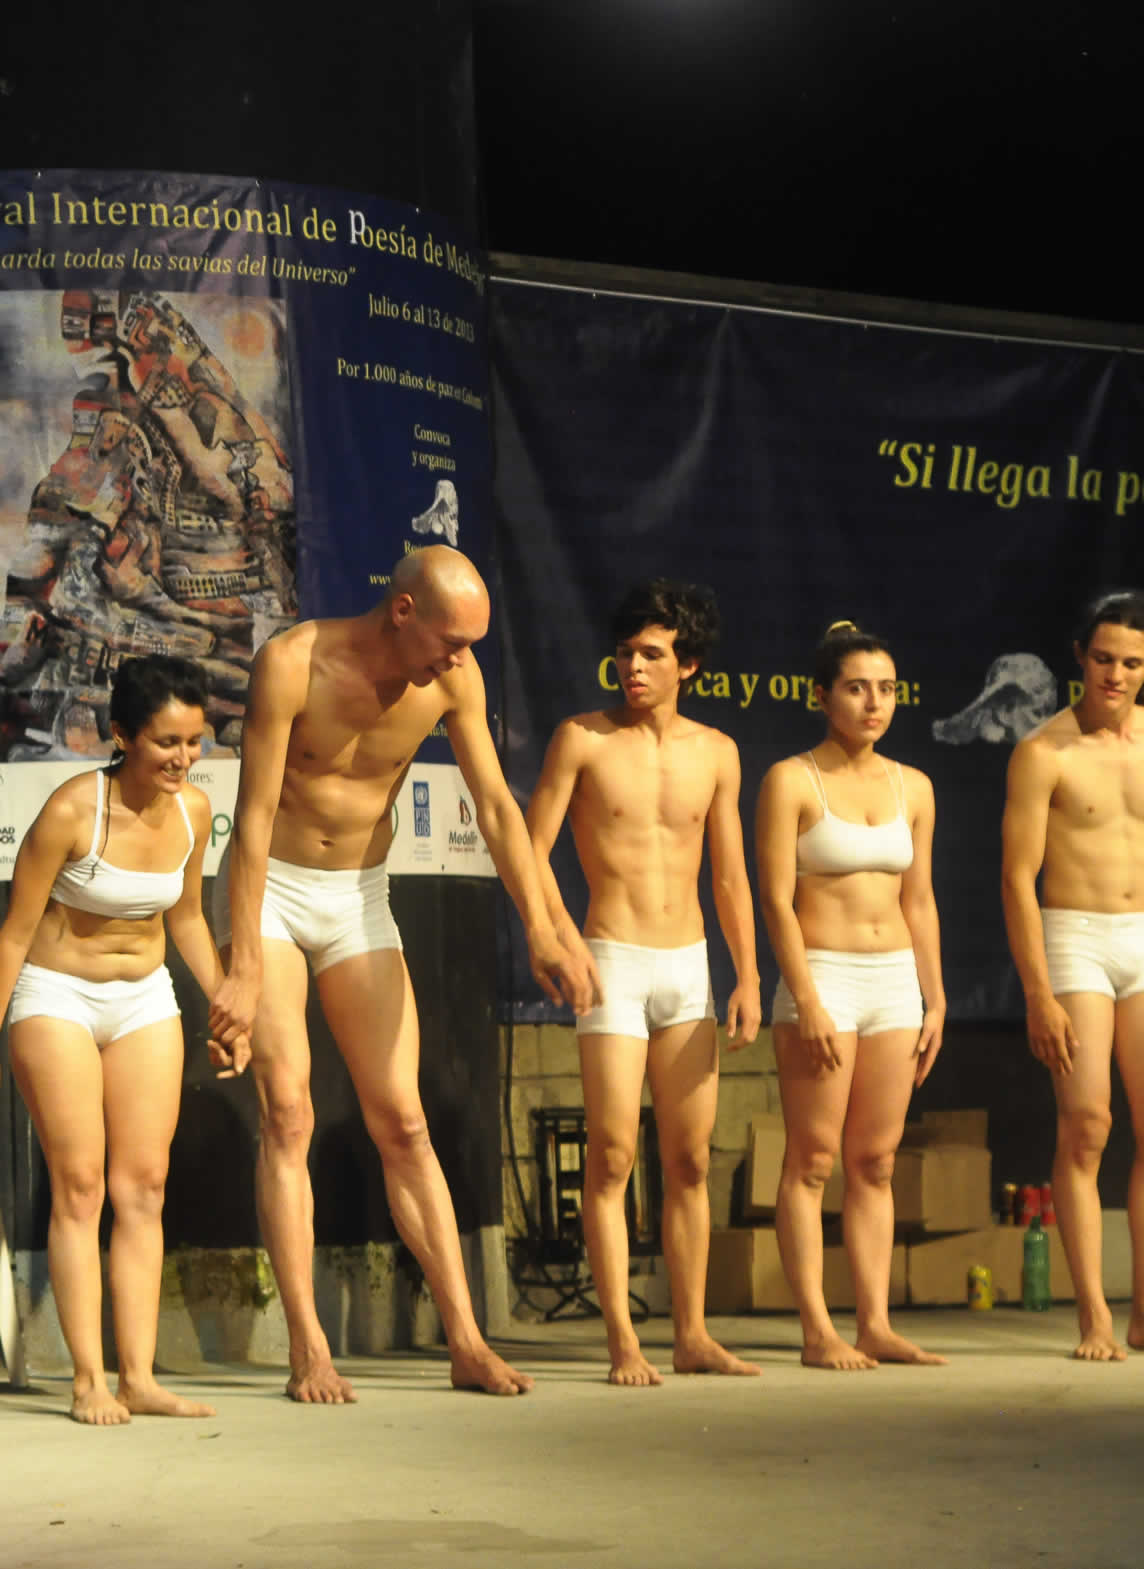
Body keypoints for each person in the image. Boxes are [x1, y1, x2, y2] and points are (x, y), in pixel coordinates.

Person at [206, 545, 599, 1402]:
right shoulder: (292, 663)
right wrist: (240, 964)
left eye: (473, 646)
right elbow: (254, 817)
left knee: (406, 1123)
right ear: (403, 612)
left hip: (357, 893)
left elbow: (495, 805)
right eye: (452, 641)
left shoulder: (452, 682)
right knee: (289, 1111)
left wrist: (540, 922)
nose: (462, 661)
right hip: (271, 887)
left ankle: (466, 1339)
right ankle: (308, 1343)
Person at [0, 656, 242, 1425]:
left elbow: (185, 915)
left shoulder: (194, 808)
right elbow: (13, 936)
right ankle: (89, 1377)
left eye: (195, 739)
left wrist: (224, 1004)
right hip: (57, 996)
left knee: (143, 1188)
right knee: (80, 1186)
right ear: (120, 736)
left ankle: (140, 1375)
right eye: (166, 743)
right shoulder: (72, 810)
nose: (184, 757)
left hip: (145, 996)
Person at [523, 580, 761, 1386]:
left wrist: (748, 975)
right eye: (624, 653)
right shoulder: (582, 739)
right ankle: (624, 1336)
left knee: (690, 1160)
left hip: (688, 964)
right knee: (615, 1152)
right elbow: (533, 851)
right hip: (613, 959)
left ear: (686, 663)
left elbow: (730, 874)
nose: (632, 668)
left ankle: (691, 1332)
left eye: (651, 654)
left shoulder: (717, 752)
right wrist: (559, 937)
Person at [1002, 590, 1144, 1361]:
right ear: (1079, 656)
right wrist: (1038, 990)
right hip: (1074, 937)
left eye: (1131, 663)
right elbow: (1017, 877)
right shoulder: (1044, 752)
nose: (1114, 675)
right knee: (1088, 1123)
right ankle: (1094, 1312)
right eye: (1102, 660)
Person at [757, 622, 947, 1370]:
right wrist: (805, 996)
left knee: (876, 1160)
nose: (875, 702)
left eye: (888, 689)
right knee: (812, 1158)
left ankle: (875, 1321)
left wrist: (935, 996)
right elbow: (776, 899)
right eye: (858, 687)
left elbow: (921, 898)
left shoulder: (915, 786)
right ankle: (816, 1329)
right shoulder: (791, 780)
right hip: (824, 974)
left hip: (895, 979)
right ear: (822, 694)